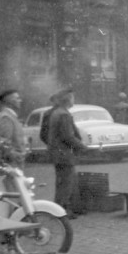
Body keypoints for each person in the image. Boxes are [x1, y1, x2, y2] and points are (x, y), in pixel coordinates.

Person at [48, 89, 88, 219]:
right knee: (66, 183)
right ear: (68, 99)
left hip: (57, 153)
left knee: (62, 182)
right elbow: (68, 136)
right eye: (72, 97)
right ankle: (61, 212)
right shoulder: (63, 114)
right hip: (64, 154)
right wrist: (82, 147)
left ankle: (58, 210)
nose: (73, 100)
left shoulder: (56, 112)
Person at [0, 89, 28, 168]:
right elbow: (4, 143)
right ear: (10, 101)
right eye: (17, 98)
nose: (20, 100)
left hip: (15, 164)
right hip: (12, 165)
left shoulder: (11, 116)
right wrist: (17, 156)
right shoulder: (6, 118)